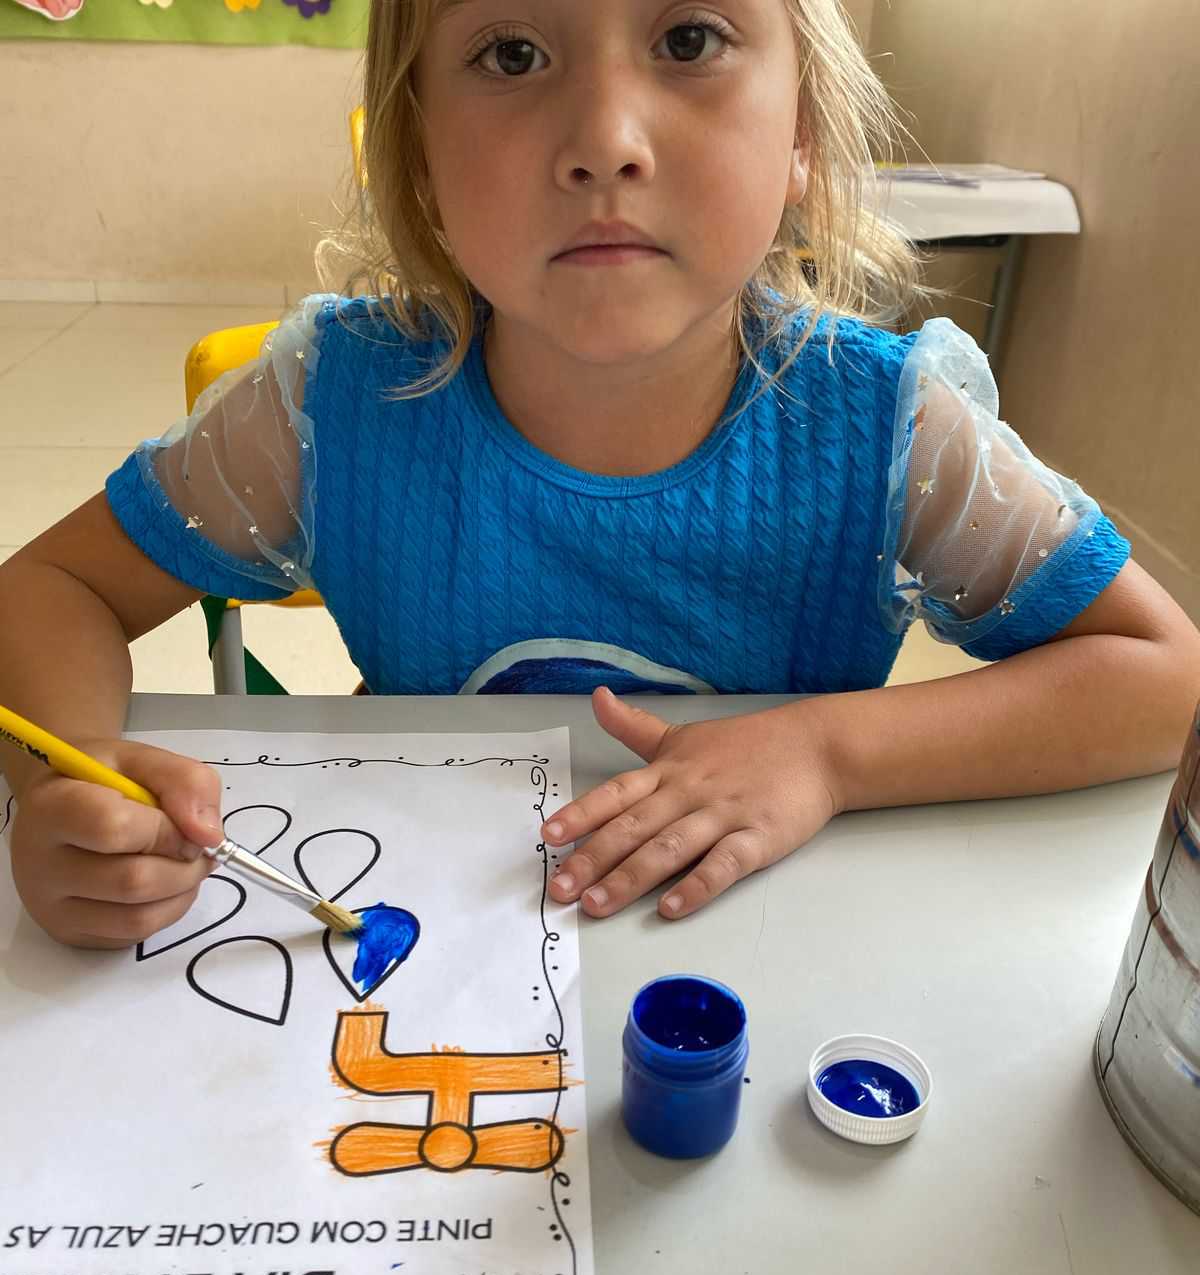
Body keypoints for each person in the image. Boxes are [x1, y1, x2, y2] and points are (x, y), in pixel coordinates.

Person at [1, 0, 1197, 950]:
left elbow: (1163, 677)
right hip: (433, 948)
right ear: (418, 148)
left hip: (763, 970)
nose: (605, 145)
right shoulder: (322, 405)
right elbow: (52, 587)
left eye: (690, 39)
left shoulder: (890, 430)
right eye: (511, 53)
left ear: (802, 132)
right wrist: (64, 779)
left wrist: (829, 753)